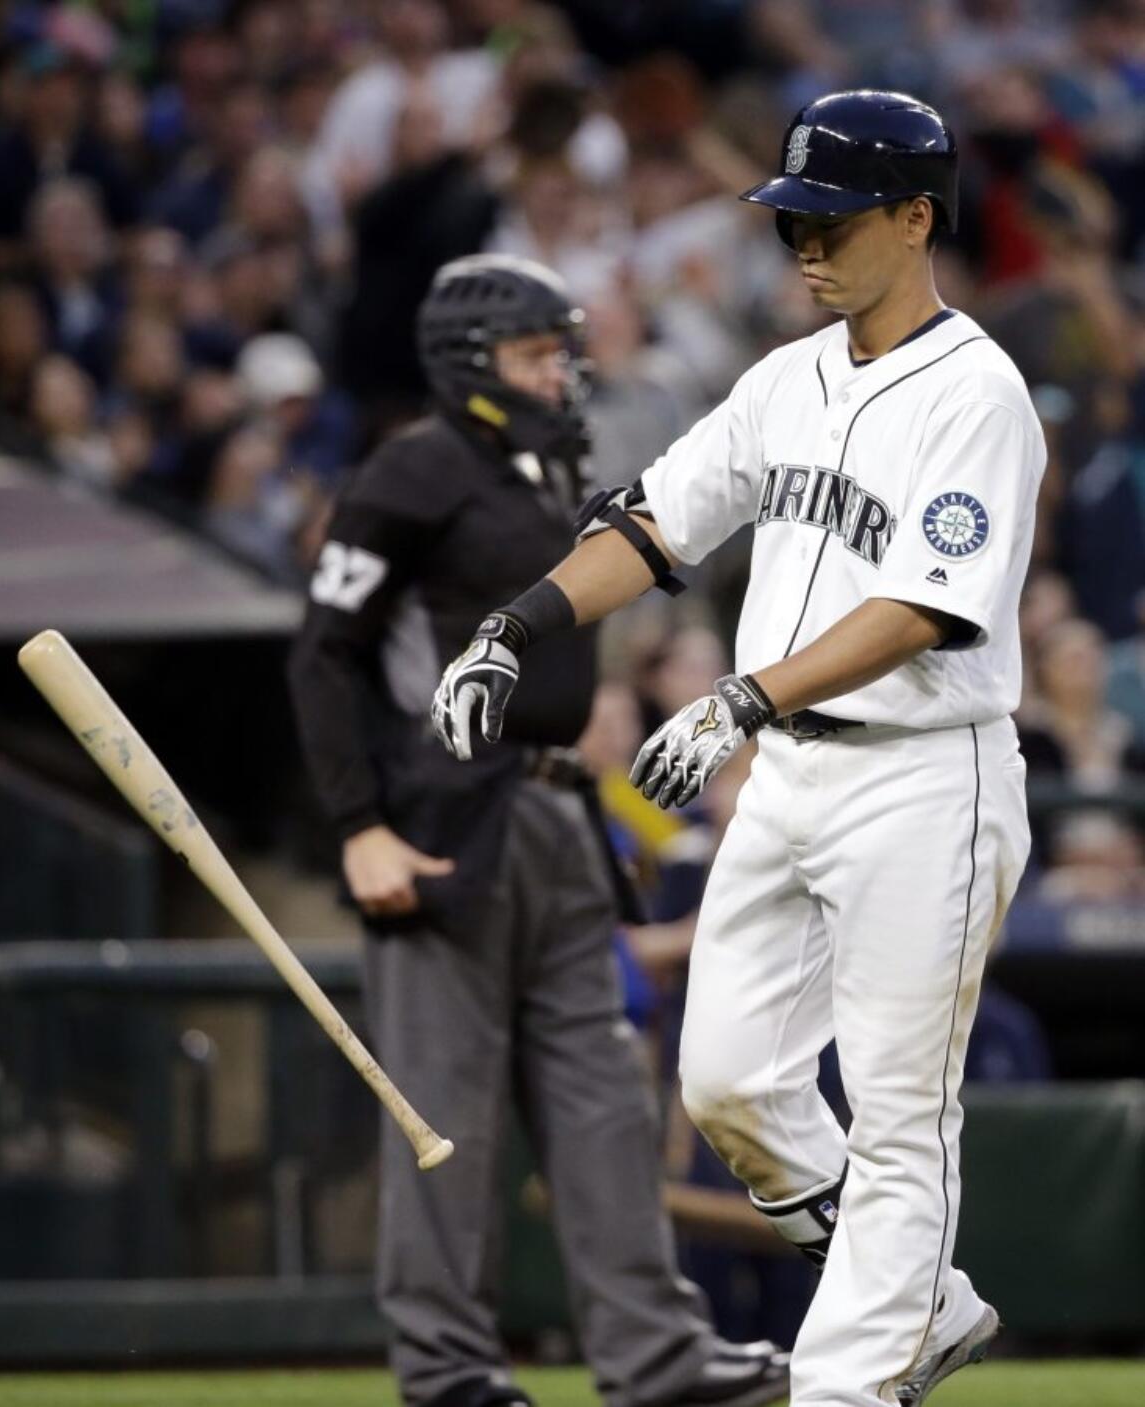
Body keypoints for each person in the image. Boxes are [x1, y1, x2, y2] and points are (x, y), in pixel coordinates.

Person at [433, 94, 1045, 1407]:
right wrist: (516, 622)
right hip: (789, 770)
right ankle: (920, 1294)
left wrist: (743, 693)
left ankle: (845, 1379)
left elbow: (924, 605)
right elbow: (654, 524)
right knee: (726, 1081)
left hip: (924, 771)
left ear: (912, 216)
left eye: (830, 223)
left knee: (895, 1116)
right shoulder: (782, 377)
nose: (804, 249)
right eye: (791, 225)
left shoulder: (976, 391)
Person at [288, 253, 790, 1407]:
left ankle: (653, 1357)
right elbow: (322, 652)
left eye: (561, 350)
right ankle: (449, 1369)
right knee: (443, 1109)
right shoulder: (411, 469)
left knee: (605, 1101)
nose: (558, 371)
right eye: (533, 353)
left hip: (564, 810)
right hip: (445, 818)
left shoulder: (547, 462)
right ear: (470, 364)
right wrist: (358, 823)